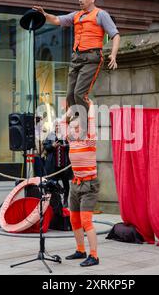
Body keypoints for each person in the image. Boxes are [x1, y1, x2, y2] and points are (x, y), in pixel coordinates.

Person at [33, 0, 120, 126]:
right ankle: (74, 114)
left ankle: (83, 119)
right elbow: (56, 20)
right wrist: (44, 14)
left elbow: (115, 35)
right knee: (69, 95)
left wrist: (113, 55)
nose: (80, 0)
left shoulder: (101, 14)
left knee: (79, 93)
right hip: (76, 57)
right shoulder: (76, 15)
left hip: (91, 57)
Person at [61, 101, 100, 267]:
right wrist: (69, 113)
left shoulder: (89, 141)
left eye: (76, 127)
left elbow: (91, 122)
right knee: (74, 220)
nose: (71, 129)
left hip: (89, 185)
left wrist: (90, 106)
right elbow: (62, 123)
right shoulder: (71, 141)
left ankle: (94, 255)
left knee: (86, 221)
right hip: (75, 183)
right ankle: (80, 250)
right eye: (71, 128)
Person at [43, 121, 72, 207]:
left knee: (66, 184)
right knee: (53, 183)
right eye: (56, 126)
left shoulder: (66, 136)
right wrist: (52, 146)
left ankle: (65, 201)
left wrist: (65, 146)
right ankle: (55, 200)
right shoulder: (50, 135)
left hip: (64, 166)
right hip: (53, 166)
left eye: (59, 126)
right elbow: (46, 147)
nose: (58, 127)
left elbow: (72, 145)